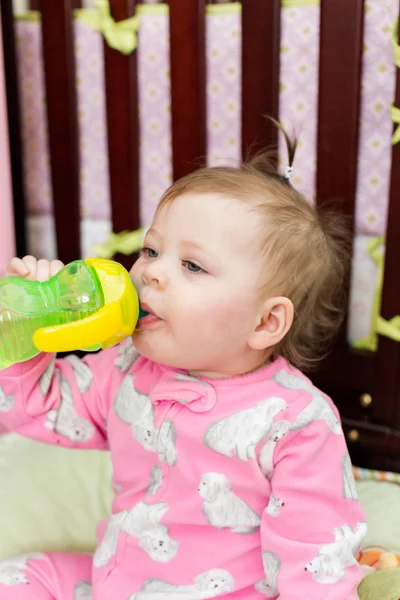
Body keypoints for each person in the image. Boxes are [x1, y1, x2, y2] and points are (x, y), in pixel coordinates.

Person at [0, 143, 366, 599]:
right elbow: (37, 408)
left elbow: (316, 564)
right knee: (17, 576)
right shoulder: (126, 367)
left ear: (265, 322)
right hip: (115, 583)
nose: (151, 273)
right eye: (151, 249)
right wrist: (32, 328)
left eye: (192, 264)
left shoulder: (297, 422)